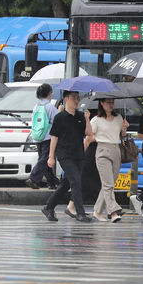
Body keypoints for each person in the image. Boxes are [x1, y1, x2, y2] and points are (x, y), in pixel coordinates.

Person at [41, 90, 92, 222]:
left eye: (77, 98)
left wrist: (87, 119)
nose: (76, 101)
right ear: (66, 99)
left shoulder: (80, 116)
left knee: (66, 184)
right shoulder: (59, 117)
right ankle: (80, 212)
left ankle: (49, 207)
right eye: (73, 98)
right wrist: (51, 157)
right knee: (76, 181)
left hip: (79, 154)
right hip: (64, 154)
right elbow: (54, 138)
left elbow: (89, 133)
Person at [90, 98, 128, 222]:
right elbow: (89, 135)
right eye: (108, 102)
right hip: (102, 150)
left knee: (109, 184)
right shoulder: (96, 120)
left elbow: (121, 136)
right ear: (101, 103)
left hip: (116, 149)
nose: (111, 105)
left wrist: (124, 129)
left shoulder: (119, 118)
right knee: (108, 184)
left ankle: (97, 211)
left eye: (112, 102)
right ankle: (113, 212)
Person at [27, 83, 59, 189]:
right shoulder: (50, 106)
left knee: (43, 159)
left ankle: (52, 182)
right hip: (48, 137)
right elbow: (57, 120)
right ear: (49, 94)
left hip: (38, 135)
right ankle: (33, 178)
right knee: (45, 159)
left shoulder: (36, 106)